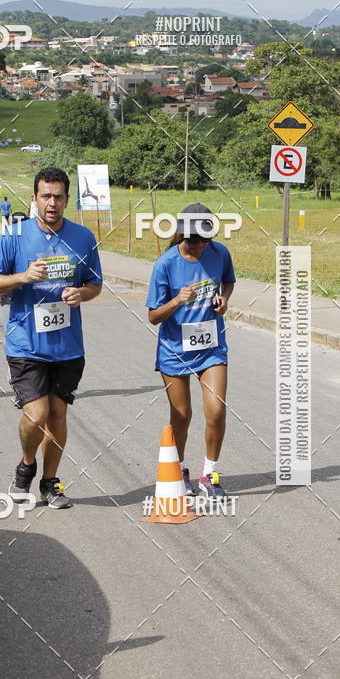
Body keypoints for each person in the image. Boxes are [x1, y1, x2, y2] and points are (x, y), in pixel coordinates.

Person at [0, 167, 103, 509]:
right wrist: (23, 276)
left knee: (58, 416)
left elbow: (95, 284)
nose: (52, 203)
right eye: (46, 196)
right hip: (25, 344)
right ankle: (26, 465)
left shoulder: (83, 238)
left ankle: (50, 484)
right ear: (34, 198)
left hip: (68, 346)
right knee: (36, 415)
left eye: (59, 196)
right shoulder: (14, 236)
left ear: (67, 199)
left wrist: (82, 294)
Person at [146, 203, 236, 500]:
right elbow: (153, 316)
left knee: (217, 409)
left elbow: (228, 282)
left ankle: (210, 473)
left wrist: (223, 299)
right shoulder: (166, 264)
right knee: (182, 415)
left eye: (203, 240)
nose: (198, 246)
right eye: (193, 240)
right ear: (182, 235)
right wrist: (177, 301)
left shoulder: (220, 253)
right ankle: (181, 468)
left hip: (211, 347)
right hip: (175, 350)